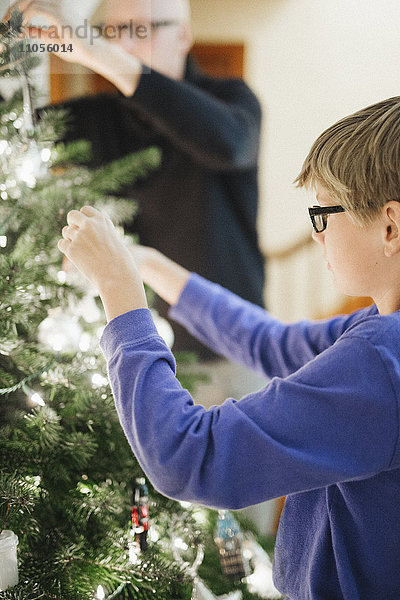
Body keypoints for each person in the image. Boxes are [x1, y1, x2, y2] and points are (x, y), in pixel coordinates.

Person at [58, 96, 400, 599]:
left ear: (389, 226)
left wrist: (122, 296)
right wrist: (148, 265)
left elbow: (190, 455)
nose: (316, 232)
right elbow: (274, 343)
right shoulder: (380, 334)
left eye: (324, 212)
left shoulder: (379, 361)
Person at [5, 0, 265, 391]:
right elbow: (19, 133)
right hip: (134, 353)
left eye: (139, 30)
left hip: (229, 347)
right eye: (112, 32)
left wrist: (97, 51)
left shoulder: (231, 98)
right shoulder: (101, 116)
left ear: (183, 35)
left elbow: (229, 145)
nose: (121, 44)